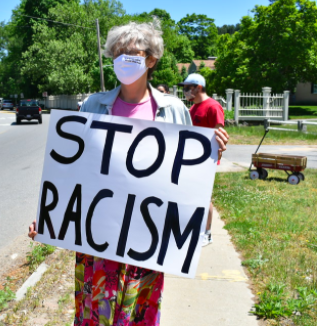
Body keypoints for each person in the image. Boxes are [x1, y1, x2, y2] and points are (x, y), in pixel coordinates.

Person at [29, 20, 229, 326]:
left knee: (138, 318)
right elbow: (75, 174)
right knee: (96, 318)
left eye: (131, 53)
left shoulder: (173, 110)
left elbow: (184, 173)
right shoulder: (93, 105)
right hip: (98, 246)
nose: (123, 59)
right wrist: (51, 220)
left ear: (151, 59)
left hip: (145, 245)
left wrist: (211, 146)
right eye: (117, 53)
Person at [179, 73, 225, 247]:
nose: (185, 92)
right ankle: (195, 229)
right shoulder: (192, 108)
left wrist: (217, 151)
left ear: (198, 88)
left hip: (206, 159)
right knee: (192, 196)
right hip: (191, 159)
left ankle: (207, 233)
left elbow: (219, 131)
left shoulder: (213, 107)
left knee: (204, 196)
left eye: (187, 88)